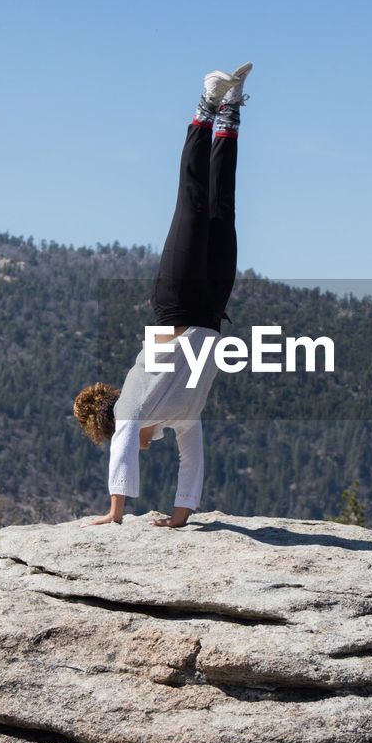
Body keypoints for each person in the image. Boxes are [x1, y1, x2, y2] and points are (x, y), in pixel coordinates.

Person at [74, 62, 252, 528]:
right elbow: (191, 463)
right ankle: (231, 110)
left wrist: (115, 514)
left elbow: (122, 458)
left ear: (117, 429)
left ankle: (205, 104)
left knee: (192, 203)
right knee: (222, 209)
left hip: (176, 300)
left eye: (128, 439)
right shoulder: (184, 414)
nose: (139, 445)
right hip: (212, 307)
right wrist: (179, 518)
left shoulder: (132, 406)